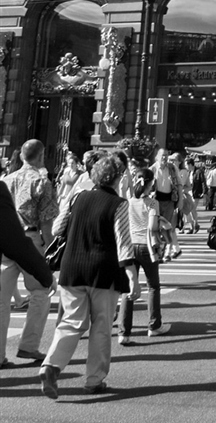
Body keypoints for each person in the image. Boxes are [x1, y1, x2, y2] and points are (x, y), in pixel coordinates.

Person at [39, 155, 133, 398]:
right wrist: (132, 276)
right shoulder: (119, 204)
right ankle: (94, 380)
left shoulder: (79, 196)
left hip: (72, 267)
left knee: (71, 322)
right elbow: (123, 243)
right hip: (104, 270)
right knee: (101, 326)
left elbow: (59, 228)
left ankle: (51, 365)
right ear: (118, 178)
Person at [0, 139, 58, 364]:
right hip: (31, 240)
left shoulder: (6, 179)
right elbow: (47, 223)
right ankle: (29, 345)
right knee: (40, 292)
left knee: (2, 300)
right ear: (41, 156)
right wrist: (50, 250)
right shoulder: (41, 182)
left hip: (5, 242)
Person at [118, 168, 169, 346]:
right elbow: (152, 226)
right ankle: (154, 325)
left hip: (130, 245)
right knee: (153, 286)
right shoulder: (152, 203)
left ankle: (124, 331)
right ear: (150, 184)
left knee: (129, 287)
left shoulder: (127, 202)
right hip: (146, 245)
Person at [150, 148, 182, 259]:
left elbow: (179, 184)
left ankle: (165, 252)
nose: (164, 157)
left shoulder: (172, 168)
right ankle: (161, 251)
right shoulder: (152, 169)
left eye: (166, 155)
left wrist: (180, 200)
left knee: (167, 227)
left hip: (169, 201)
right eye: (162, 155)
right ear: (157, 157)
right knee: (156, 228)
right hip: (156, 202)